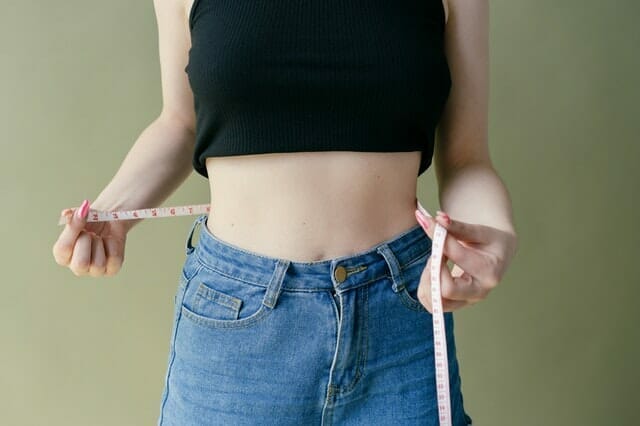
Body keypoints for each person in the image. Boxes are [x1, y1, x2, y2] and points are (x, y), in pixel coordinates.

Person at [52, 0, 518, 424]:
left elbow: (467, 160)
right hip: (235, 321)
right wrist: (113, 212)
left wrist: (495, 237)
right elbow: (179, 123)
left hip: (400, 313)